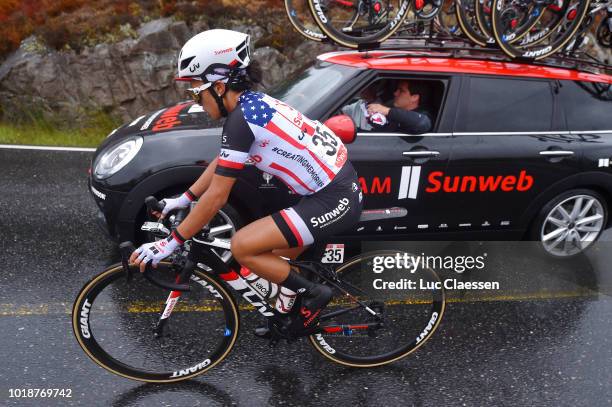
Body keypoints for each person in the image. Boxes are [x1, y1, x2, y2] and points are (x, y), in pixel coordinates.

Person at [129, 29, 363, 333]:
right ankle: (287, 317)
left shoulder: (243, 120)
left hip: (333, 199)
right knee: (272, 259)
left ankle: (315, 293)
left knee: (242, 246)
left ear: (220, 86)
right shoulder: (251, 107)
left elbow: (216, 198)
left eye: (196, 90)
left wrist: (170, 243)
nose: (196, 100)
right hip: (326, 191)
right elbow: (223, 162)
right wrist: (184, 198)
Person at [364, 80, 433, 134]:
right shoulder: (394, 107)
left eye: (401, 91)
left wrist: (387, 111)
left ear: (414, 97)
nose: (395, 93)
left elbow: (422, 123)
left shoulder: (423, 115)